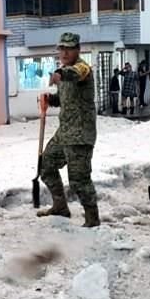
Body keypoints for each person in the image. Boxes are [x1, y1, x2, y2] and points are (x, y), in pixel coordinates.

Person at [35, 32, 100, 227]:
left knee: (79, 180)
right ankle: (60, 206)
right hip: (65, 132)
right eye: (61, 48)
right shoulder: (63, 70)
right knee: (46, 166)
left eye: (69, 48)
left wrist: (60, 75)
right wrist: (51, 99)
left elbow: (75, 74)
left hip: (80, 135)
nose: (64, 52)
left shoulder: (82, 68)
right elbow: (66, 98)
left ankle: (92, 219)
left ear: (77, 49)